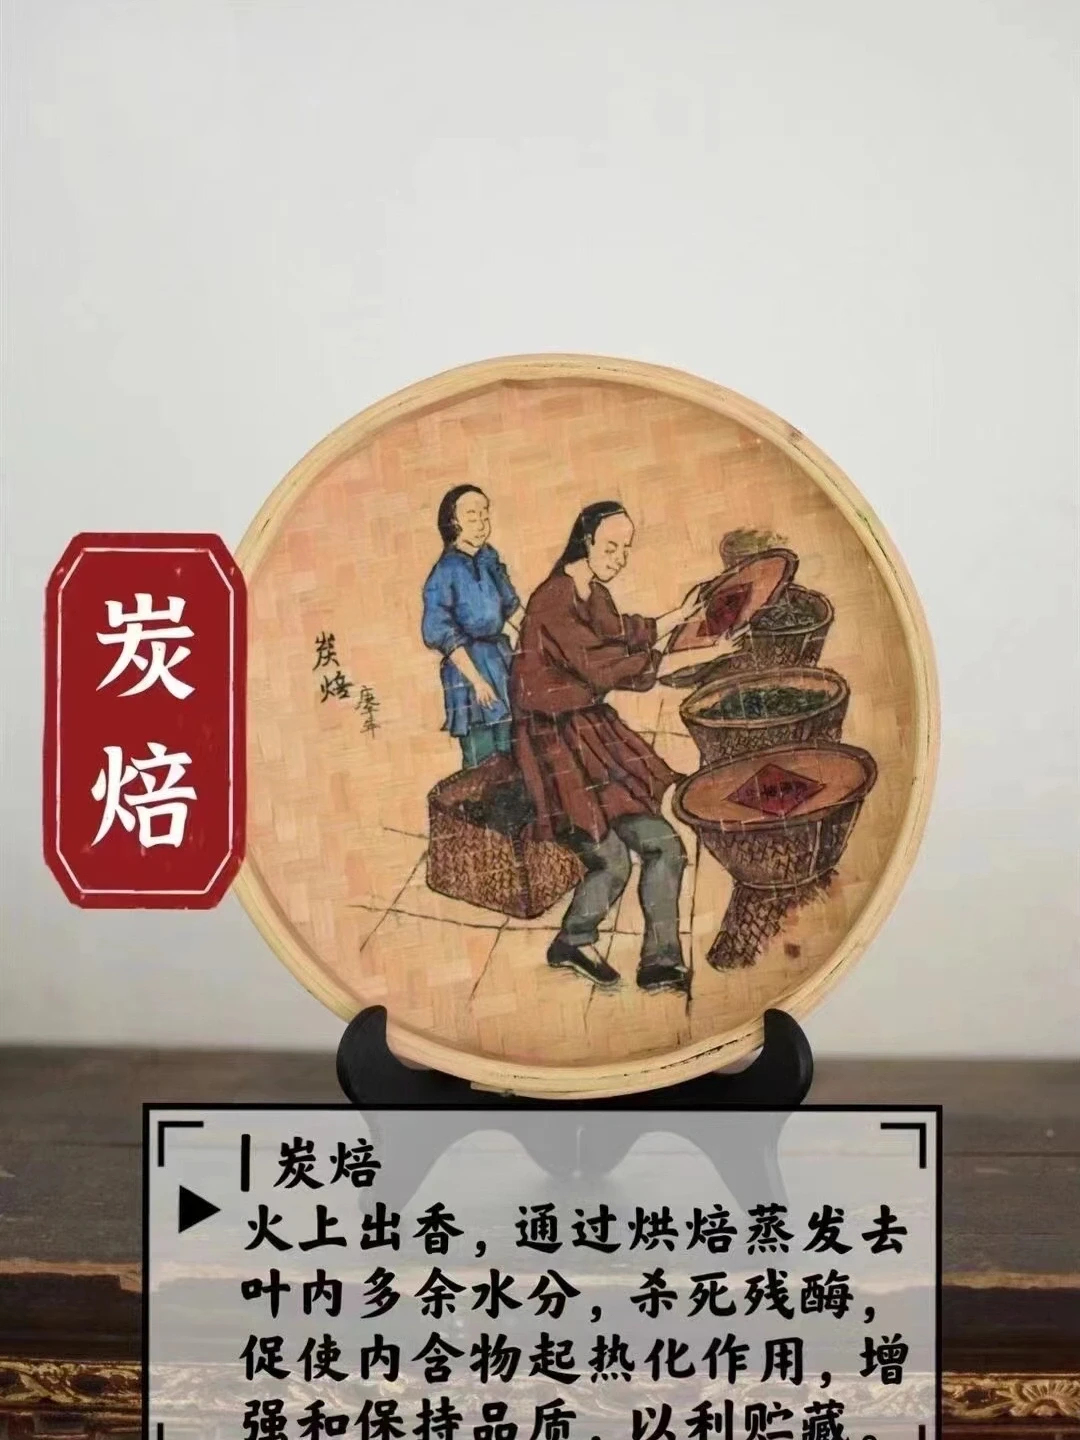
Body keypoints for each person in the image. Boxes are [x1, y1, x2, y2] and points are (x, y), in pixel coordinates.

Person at [510, 500, 705, 994]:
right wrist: (680, 659)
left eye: (626, 548)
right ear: (586, 542)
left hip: (591, 734)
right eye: (611, 547)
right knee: (612, 859)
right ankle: (573, 941)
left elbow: (621, 632)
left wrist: (679, 616)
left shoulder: (592, 591)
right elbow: (599, 664)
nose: (619, 558)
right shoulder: (552, 599)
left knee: (665, 847)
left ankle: (660, 960)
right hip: (555, 746)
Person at [421, 486, 525, 769]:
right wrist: (477, 681)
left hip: (501, 660)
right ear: (453, 522)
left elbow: (513, 609)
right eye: (472, 516)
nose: (481, 523)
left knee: (514, 750)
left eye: (484, 515)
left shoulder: (489, 559)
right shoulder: (445, 571)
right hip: (467, 671)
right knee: (482, 761)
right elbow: (440, 631)